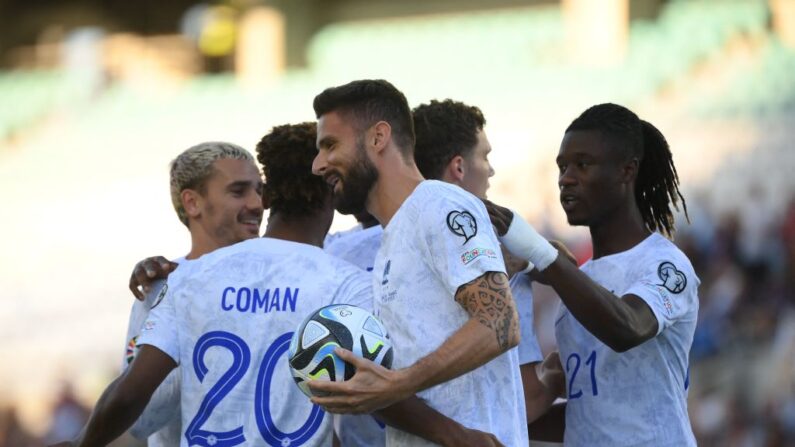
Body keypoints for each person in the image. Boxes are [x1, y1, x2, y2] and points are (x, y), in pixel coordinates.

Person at [55, 123, 498, 447]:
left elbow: (133, 392)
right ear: (331, 189)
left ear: (268, 197)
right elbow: (369, 389)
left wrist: (82, 444)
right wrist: (458, 436)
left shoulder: (188, 278)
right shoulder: (344, 283)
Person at [309, 79, 528, 446]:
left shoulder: (440, 206)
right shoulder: (393, 235)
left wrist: (398, 384)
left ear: (379, 137)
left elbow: (500, 323)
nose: (318, 164)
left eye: (330, 145)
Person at [488, 103, 698, 446]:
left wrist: (542, 256)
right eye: (562, 166)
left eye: (583, 165)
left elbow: (628, 327)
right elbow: (592, 414)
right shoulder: (578, 285)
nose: (565, 178)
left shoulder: (664, 264)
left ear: (626, 171)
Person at [412, 99, 558, 424]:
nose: (491, 169)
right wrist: (556, 377)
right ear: (459, 168)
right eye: (485, 156)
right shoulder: (496, 256)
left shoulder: (385, 240)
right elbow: (527, 400)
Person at [122, 141, 264, 445]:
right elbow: (140, 419)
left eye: (259, 191)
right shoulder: (159, 289)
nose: (257, 204)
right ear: (192, 203)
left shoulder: (285, 278)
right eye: (238, 192)